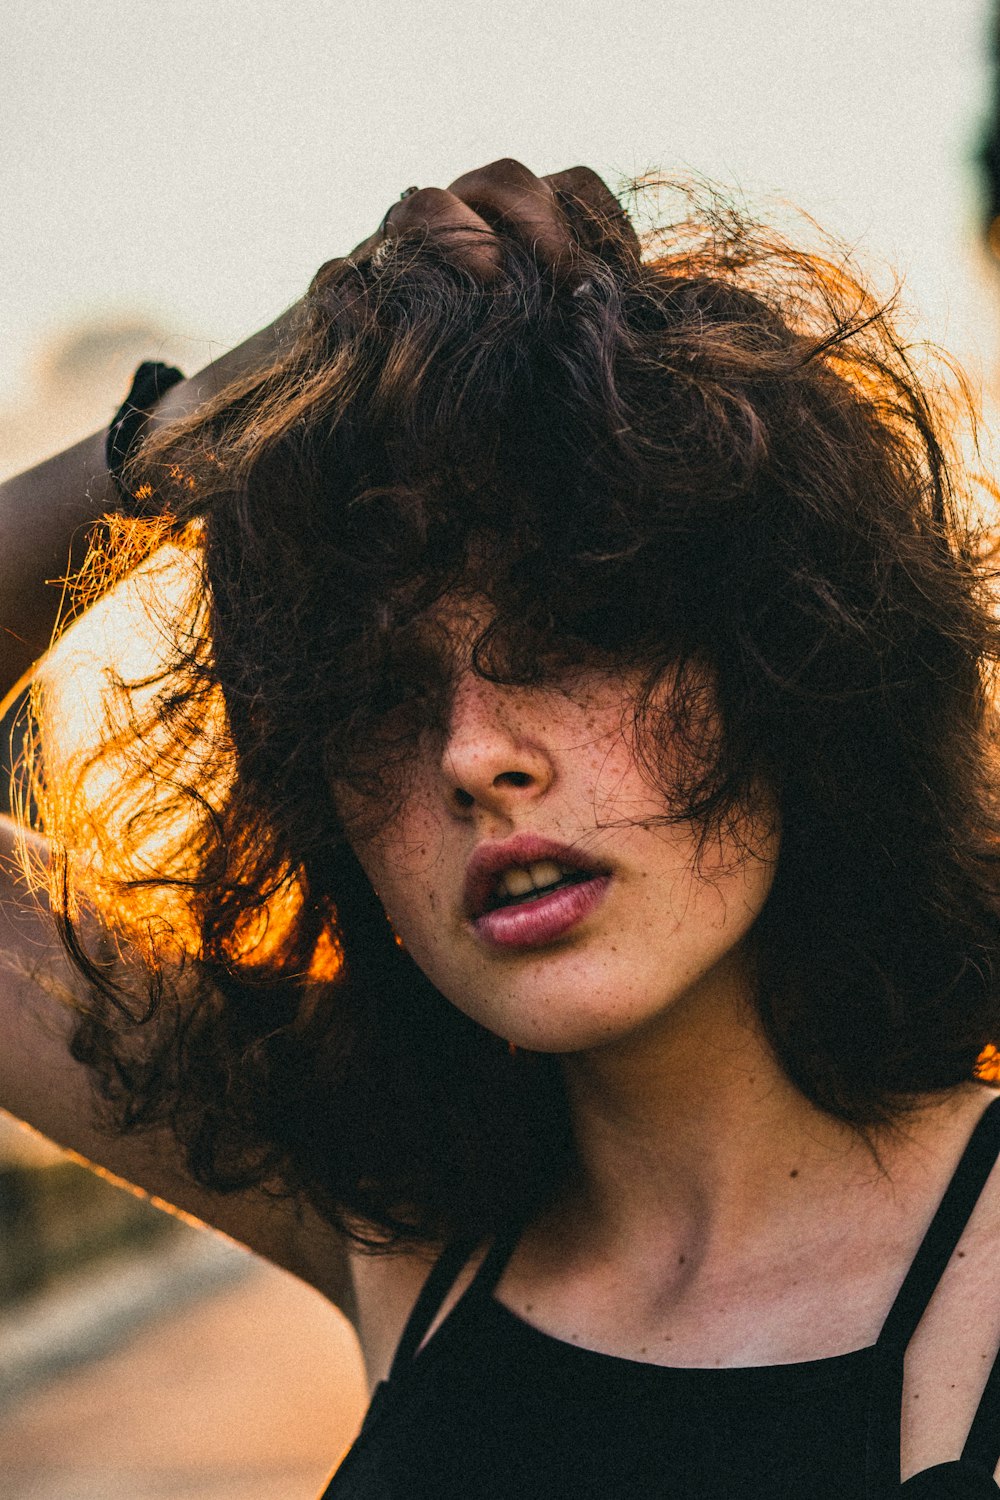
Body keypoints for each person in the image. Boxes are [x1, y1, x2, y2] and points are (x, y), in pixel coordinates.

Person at [2, 157, 1000, 1498]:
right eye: (381, 693)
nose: (474, 754)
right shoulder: (411, 1237)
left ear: (791, 667)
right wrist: (207, 419)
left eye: (575, 631)